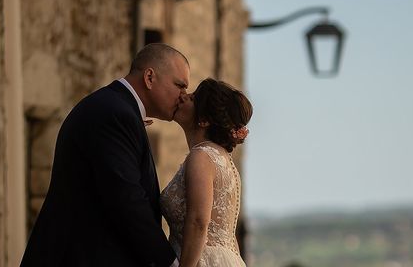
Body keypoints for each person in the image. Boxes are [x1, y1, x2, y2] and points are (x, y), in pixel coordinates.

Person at [20, 43, 189, 267]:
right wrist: (169, 263)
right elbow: (126, 199)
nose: (184, 96)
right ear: (149, 77)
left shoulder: (113, 107)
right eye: (180, 85)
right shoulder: (114, 114)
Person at [161, 78, 253, 267]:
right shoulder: (223, 160)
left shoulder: (201, 156)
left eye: (193, 98)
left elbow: (198, 221)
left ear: (204, 120)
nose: (184, 97)